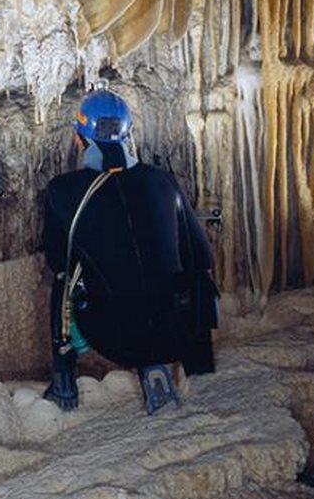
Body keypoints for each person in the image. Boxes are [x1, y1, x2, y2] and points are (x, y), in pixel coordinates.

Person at [42, 83, 219, 414]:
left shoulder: (62, 191)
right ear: (128, 136)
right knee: (193, 270)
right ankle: (186, 367)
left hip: (113, 337)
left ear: (80, 138)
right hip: (175, 332)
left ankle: (64, 382)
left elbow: (56, 259)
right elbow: (201, 255)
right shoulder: (163, 181)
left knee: (65, 280)